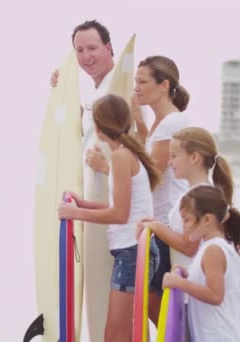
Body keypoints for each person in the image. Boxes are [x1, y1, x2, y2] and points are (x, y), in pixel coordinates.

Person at [86, 56, 191, 324]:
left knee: (158, 309)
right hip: (157, 224)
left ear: (164, 85)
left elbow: (149, 176)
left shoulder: (171, 124)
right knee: (155, 308)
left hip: (166, 225)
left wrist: (105, 166)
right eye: (135, 81)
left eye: (142, 82)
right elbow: (145, 164)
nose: (136, 88)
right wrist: (140, 124)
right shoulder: (159, 123)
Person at [58, 94, 161, 342]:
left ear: (99, 126)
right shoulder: (125, 154)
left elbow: (119, 214)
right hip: (135, 251)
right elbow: (120, 206)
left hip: (132, 252)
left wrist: (76, 214)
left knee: (115, 335)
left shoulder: (120, 156)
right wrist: (83, 204)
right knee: (121, 333)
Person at [136, 126, 235, 271]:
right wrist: (156, 224)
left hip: (194, 282)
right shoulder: (205, 192)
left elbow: (188, 247)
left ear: (194, 157)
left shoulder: (201, 197)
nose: (170, 162)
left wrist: (156, 227)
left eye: (174, 156)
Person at [162, 185, 240, 342]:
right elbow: (208, 283)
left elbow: (215, 295)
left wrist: (180, 283)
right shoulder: (210, 247)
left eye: (187, 220)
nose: (184, 226)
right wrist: (188, 276)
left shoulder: (214, 250)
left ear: (207, 219)